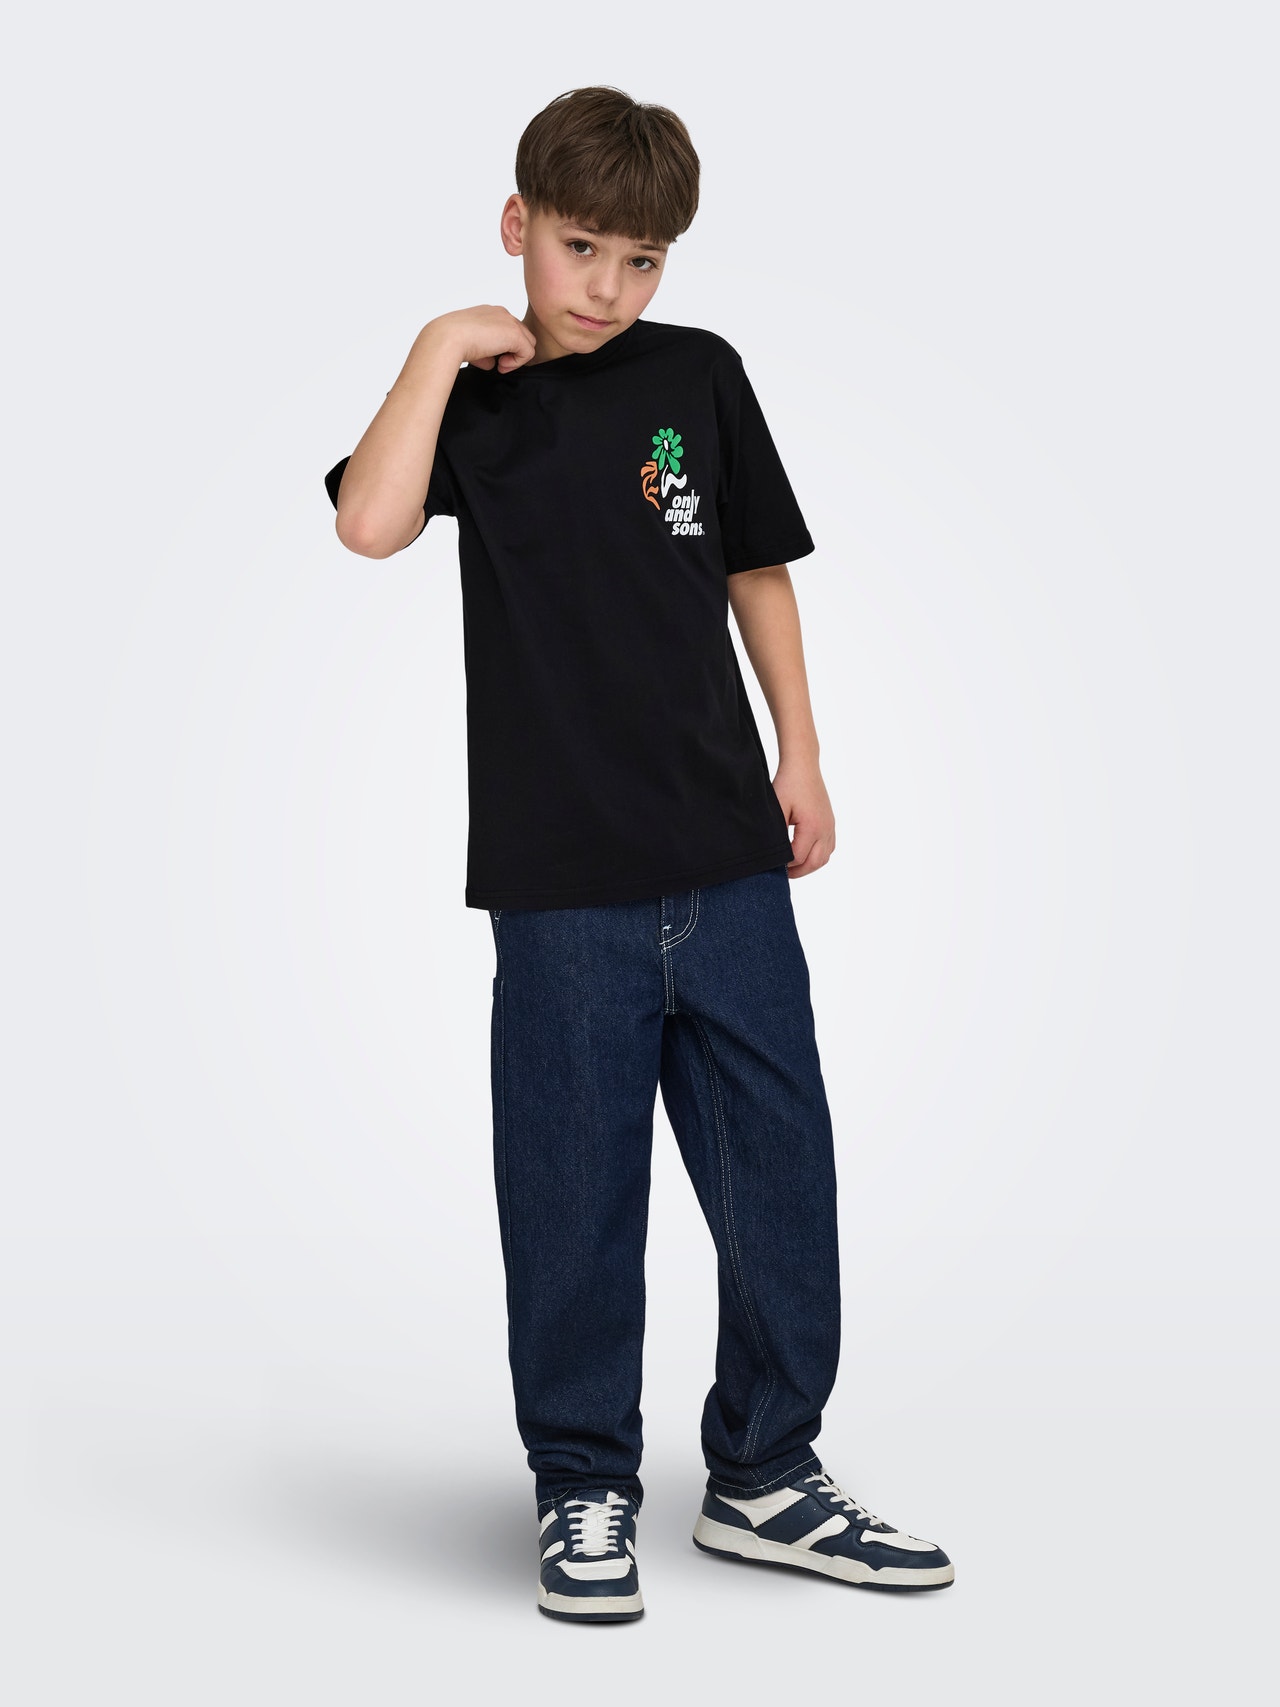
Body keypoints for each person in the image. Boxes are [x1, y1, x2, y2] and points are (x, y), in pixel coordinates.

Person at [325, 85, 954, 1623]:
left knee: (780, 1174)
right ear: (518, 224)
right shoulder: (472, 401)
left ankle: (765, 1473)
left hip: (725, 858)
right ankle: (583, 1484)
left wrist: (802, 751)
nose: (607, 286)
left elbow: (755, 566)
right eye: (580, 246)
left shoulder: (699, 377)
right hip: (559, 887)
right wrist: (434, 346)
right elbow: (369, 526)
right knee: (574, 1197)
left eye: (643, 259)